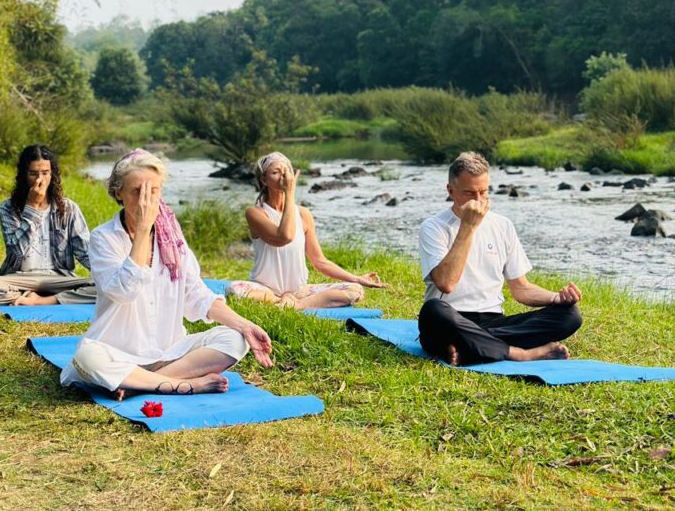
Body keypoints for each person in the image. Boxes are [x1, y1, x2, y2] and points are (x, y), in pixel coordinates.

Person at [60, 149, 273, 397]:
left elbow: (196, 295)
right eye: (136, 191)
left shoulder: (171, 237)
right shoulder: (103, 238)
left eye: (153, 191)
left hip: (169, 352)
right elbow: (124, 292)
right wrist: (142, 230)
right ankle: (186, 384)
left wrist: (245, 325)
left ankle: (140, 384)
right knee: (87, 357)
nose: (146, 201)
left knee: (235, 339)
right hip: (117, 352)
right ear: (118, 192)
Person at [417, 151, 582, 366]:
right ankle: (519, 353)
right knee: (433, 311)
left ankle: (472, 348)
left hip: (493, 321)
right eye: (469, 193)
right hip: (450, 319)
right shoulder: (433, 227)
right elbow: (446, 283)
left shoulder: (502, 225)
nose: (478, 201)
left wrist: (555, 299)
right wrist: (468, 226)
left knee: (569, 316)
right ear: (451, 191)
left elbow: (521, 288)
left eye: (483, 192)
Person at [226, 151, 386, 310]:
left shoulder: (303, 214)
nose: (283, 176)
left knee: (355, 290)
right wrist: (290, 192)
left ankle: (293, 305)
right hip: (266, 290)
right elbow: (284, 237)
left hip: (300, 291)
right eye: (275, 172)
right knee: (234, 290)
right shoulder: (255, 213)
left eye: (286, 171)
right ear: (264, 180)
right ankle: (281, 302)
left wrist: (357, 278)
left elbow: (320, 262)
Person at [0, 144, 96, 306]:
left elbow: (86, 253)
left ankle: (41, 300)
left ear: (53, 175)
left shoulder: (69, 208)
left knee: (107, 288)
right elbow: (17, 251)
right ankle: (34, 295)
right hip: (20, 277)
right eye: (33, 174)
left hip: (59, 278)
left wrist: (110, 274)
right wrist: (32, 208)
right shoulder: (8, 208)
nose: (39, 180)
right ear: (23, 175)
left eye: (45, 173)